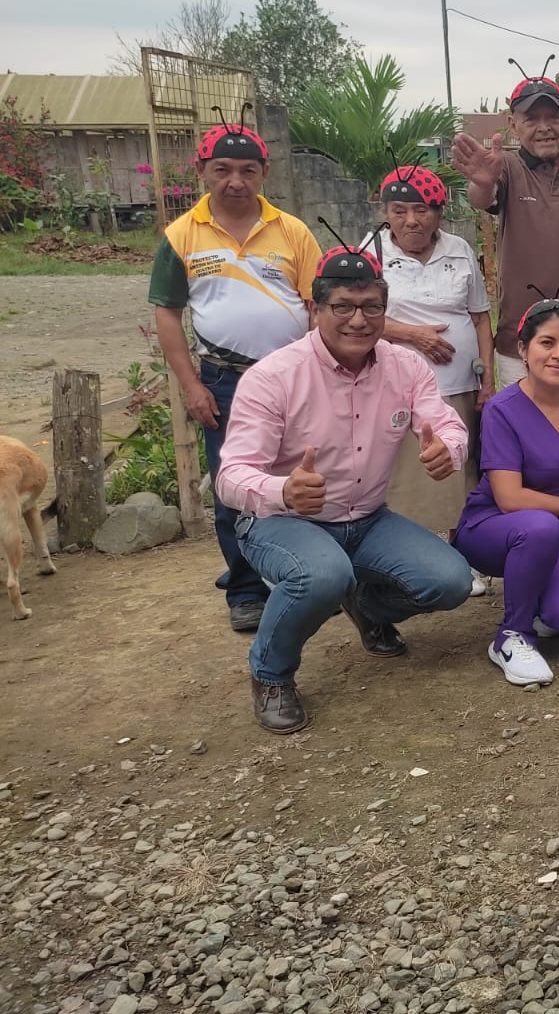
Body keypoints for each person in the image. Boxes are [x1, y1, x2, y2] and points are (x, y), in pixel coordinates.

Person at [217, 243, 473, 734]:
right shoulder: (273, 377)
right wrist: (283, 491)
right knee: (321, 576)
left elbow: (444, 424)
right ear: (315, 309)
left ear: (385, 310)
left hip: (367, 519)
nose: (358, 320)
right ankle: (271, 673)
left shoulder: (406, 367)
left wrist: (450, 448)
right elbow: (231, 476)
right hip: (282, 521)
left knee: (451, 581)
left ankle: (368, 607)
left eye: (371, 307)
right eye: (343, 307)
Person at [148, 113, 319, 634]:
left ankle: (313, 576)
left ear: (264, 172)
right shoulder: (181, 235)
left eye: (247, 170)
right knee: (233, 486)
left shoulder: (292, 231)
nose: (235, 181)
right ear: (202, 170)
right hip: (225, 381)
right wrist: (191, 385)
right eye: (222, 169)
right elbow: (167, 315)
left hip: (293, 377)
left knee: (304, 476)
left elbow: (317, 306)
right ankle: (245, 590)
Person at [452, 295, 559, 686]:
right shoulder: (502, 409)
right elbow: (510, 499)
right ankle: (512, 636)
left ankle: (537, 593)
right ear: (523, 349)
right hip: (496, 524)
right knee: (539, 527)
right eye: (547, 343)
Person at [451, 57, 559, 387]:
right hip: (520, 346)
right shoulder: (505, 167)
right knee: (525, 420)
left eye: (553, 117)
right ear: (513, 125)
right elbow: (483, 197)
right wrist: (483, 182)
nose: (544, 127)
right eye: (531, 119)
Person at [371, 165, 494, 543]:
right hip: (397, 388)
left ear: (439, 213)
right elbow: (358, 319)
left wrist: (488, 380)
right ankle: (402, 550)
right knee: (405, 475)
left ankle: (463, 549)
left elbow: (480, 317)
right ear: (386, 213)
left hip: (459, 384)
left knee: (460, 470)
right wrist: (413, 335)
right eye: (399, 210)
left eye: (421, 210)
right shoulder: (372, 251)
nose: (411, 220)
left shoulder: (459, 250)